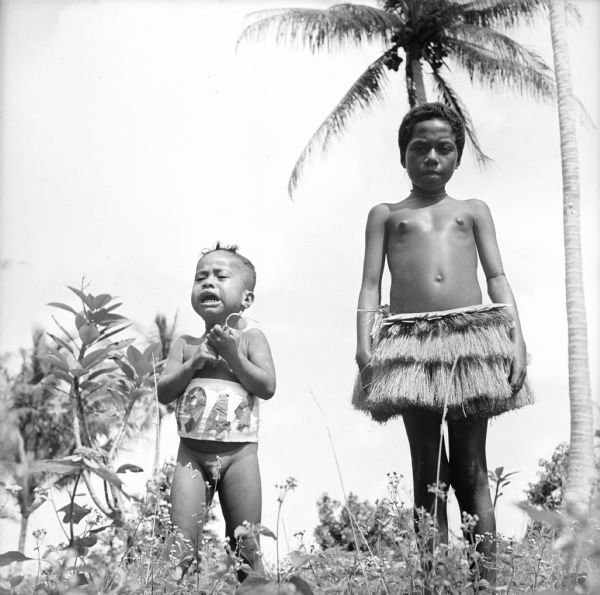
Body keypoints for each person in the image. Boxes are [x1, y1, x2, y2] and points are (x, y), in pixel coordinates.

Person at [354, 102, 533, 587]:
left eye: (443, 148)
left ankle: (484, 583)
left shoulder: (473, 211)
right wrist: (364, 344)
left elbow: (496, 275)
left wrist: (517, 341)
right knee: (426, 470)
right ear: (402, 156)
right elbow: (371, 284)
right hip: (410, 344)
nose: (431, 156)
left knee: (472, 471)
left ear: (457, 157)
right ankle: (435, 583)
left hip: (472, 339)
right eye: (419, 148)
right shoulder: (386, 215)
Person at [157, 243, 276, 580]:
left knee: (245, 550)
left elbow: (267, 386)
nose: (208, 282)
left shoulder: (252, 339)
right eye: (200, 277)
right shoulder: (185, 344)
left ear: (247, 299)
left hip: (240, 458)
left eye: (220, 276)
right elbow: (164, 392)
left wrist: (233, 355)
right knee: (180, 549)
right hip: (190, 457)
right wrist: (194, 363)